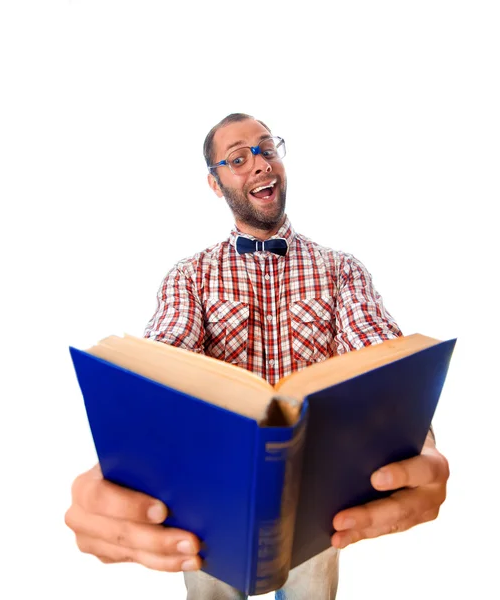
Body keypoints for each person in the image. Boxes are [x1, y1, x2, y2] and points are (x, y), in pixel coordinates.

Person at [65, 113, 450, 599]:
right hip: (210, 504)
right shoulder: (190, 276)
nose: (260, 164)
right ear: (215, 181)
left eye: (268, 150)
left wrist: (420, 439)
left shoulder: (341, 271)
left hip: (317, 504)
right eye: (239, 158)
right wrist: (126, 459)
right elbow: (165, 360)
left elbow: (381, 359)